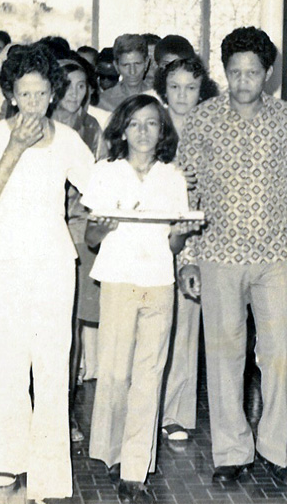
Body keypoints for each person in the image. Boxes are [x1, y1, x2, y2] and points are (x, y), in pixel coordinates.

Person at [177, 26, 287, 486]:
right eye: (235, 72)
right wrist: (189, 258)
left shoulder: (285, 119)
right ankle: (232, 451)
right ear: (225, 72)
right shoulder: (202, 119)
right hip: (217, 253)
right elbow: (184, 192)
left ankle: (277, 451)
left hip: (277, 255)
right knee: (223, 356)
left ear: (268, 74)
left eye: (252, 72)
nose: (243, 81)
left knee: (281, 351)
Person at [0, 43, 94, 502]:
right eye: (25, 94)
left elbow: (99, 192)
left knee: (54, 367)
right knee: (9, 363)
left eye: (42, 94)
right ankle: (5, 459)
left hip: (55, 261)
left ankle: (51, 473)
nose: (34, 103)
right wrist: (14, 149)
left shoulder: (69, 140)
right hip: (2, 259)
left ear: (53, 94)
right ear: (11, 93)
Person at [83, 95, 198, 504]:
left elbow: (174, 241)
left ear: (162, 130)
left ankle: (135, 469)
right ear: (122, 130)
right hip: (117, 281)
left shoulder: (172, 177)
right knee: (115, 373)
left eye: (152, 123)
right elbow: (91, 238)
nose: (144, 132)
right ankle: (110, 452)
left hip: (159, 283)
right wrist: (106, 227)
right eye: (135, 124)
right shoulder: (105, 173)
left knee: (149, 374)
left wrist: (183, 231)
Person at [152, 55, 218, 442]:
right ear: (164, 89)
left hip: (194, 237)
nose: (182, 95)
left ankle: (176, 413)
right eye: (174, 87)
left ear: (201, 90)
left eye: (190, 88)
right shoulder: (152, 125)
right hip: (153, 236)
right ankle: (146, 406)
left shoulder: (210, 127)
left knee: (186, 325)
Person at [52, 55, 105, 444]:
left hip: (80, 231)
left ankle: (66, 412)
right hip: (44, 234)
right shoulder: (42, 127)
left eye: (82, 86)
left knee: (71, 328)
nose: (75, 93)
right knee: (47, 329)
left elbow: (98, 183)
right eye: (67, 85)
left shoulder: (94, 129)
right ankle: (42, 410)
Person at [98, 35, 151, 111]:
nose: (132, 71)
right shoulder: (103, 101)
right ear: (116, 66)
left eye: (137, 64)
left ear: (146, 63)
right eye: (126, 65)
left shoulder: (157, 96)